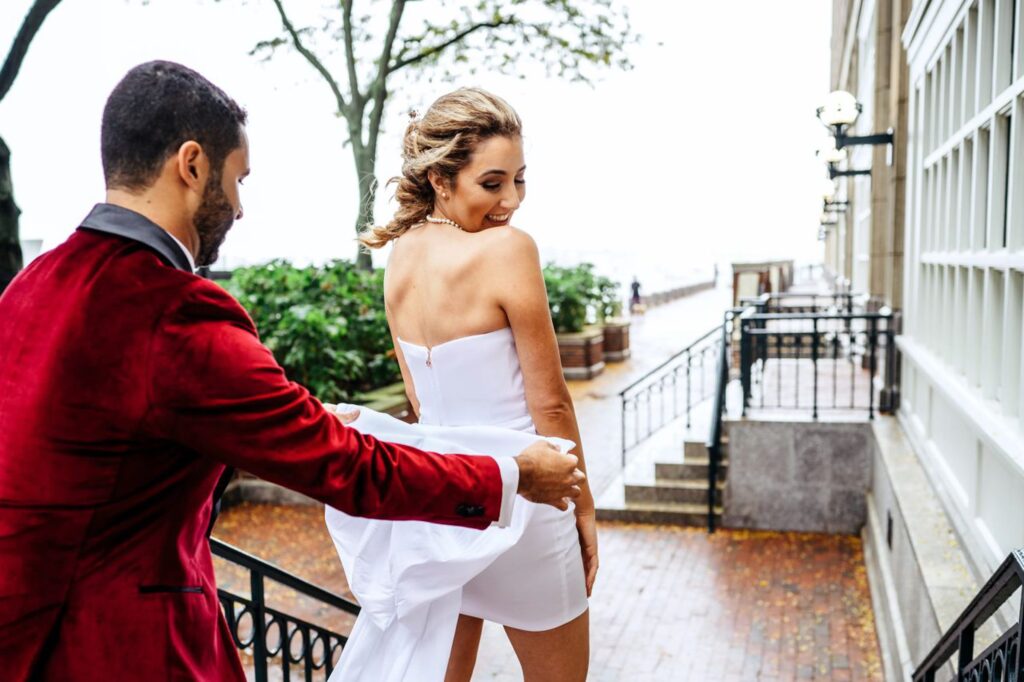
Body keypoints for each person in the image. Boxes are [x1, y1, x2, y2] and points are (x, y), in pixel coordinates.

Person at [0, 62, 584, 682]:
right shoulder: (171, 309)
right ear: (193, 165)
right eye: (237, 180)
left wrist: (291, 419)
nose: (242, 208)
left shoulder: (28, 288)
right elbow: (344, 467)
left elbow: (103, 441)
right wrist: (511, 474)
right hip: (120, 649)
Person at [325, 88, 596, 682]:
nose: (512, 201)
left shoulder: (401, 256)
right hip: (529, 497)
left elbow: (423, 407)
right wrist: (584, 508)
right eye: (493, 183)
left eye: (520, 180)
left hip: (449, 508)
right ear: (441, 180)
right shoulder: (509, 250)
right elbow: (549, 400)